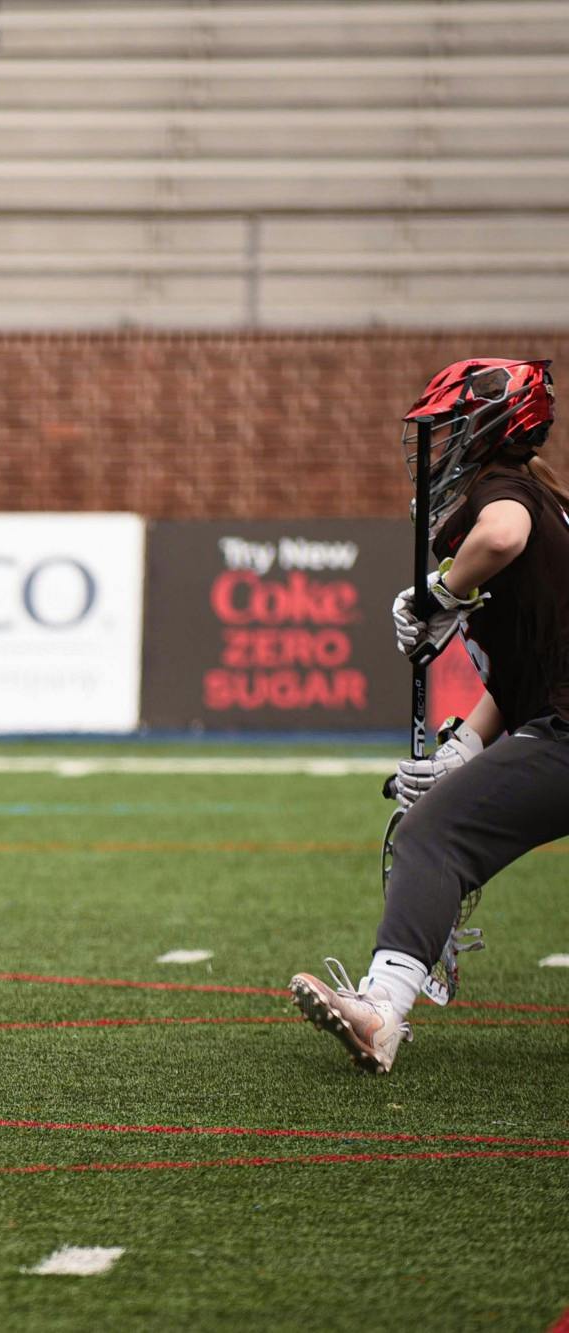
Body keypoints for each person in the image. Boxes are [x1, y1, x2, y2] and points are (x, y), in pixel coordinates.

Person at [291, 357, 568, 1073]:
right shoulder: (546, 501)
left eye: (452, 429)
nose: (439, 447)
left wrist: (441, 590)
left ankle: (382, 1010)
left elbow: (501, 534)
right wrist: (466, 746)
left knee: (432, 833)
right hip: (556, 720)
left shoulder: (502, 492)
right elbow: (529, 675)